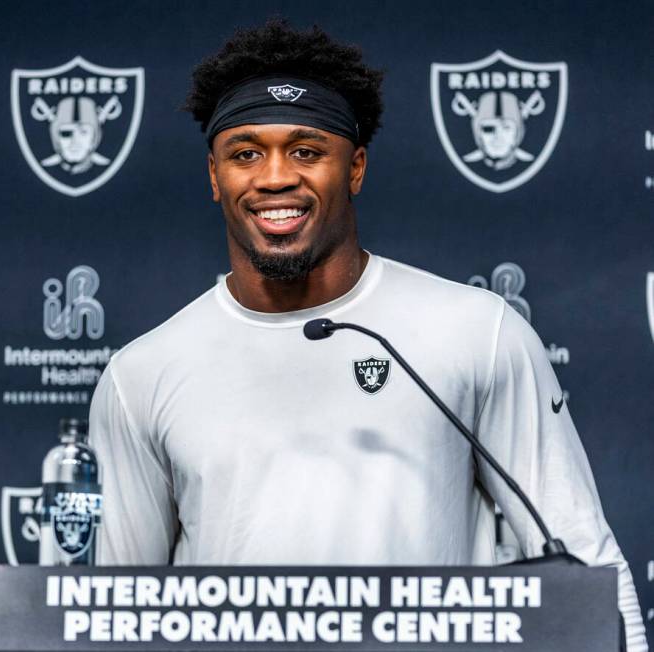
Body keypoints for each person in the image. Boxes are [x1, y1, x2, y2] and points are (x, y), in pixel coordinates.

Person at [88, 19, 647, 650]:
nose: (274, 178)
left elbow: (585, 564)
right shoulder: (142, 376)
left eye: (306, 151)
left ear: (353, 168)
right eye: (246, 153)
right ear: (215, 176)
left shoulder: (476, 331)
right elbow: (118, 611)